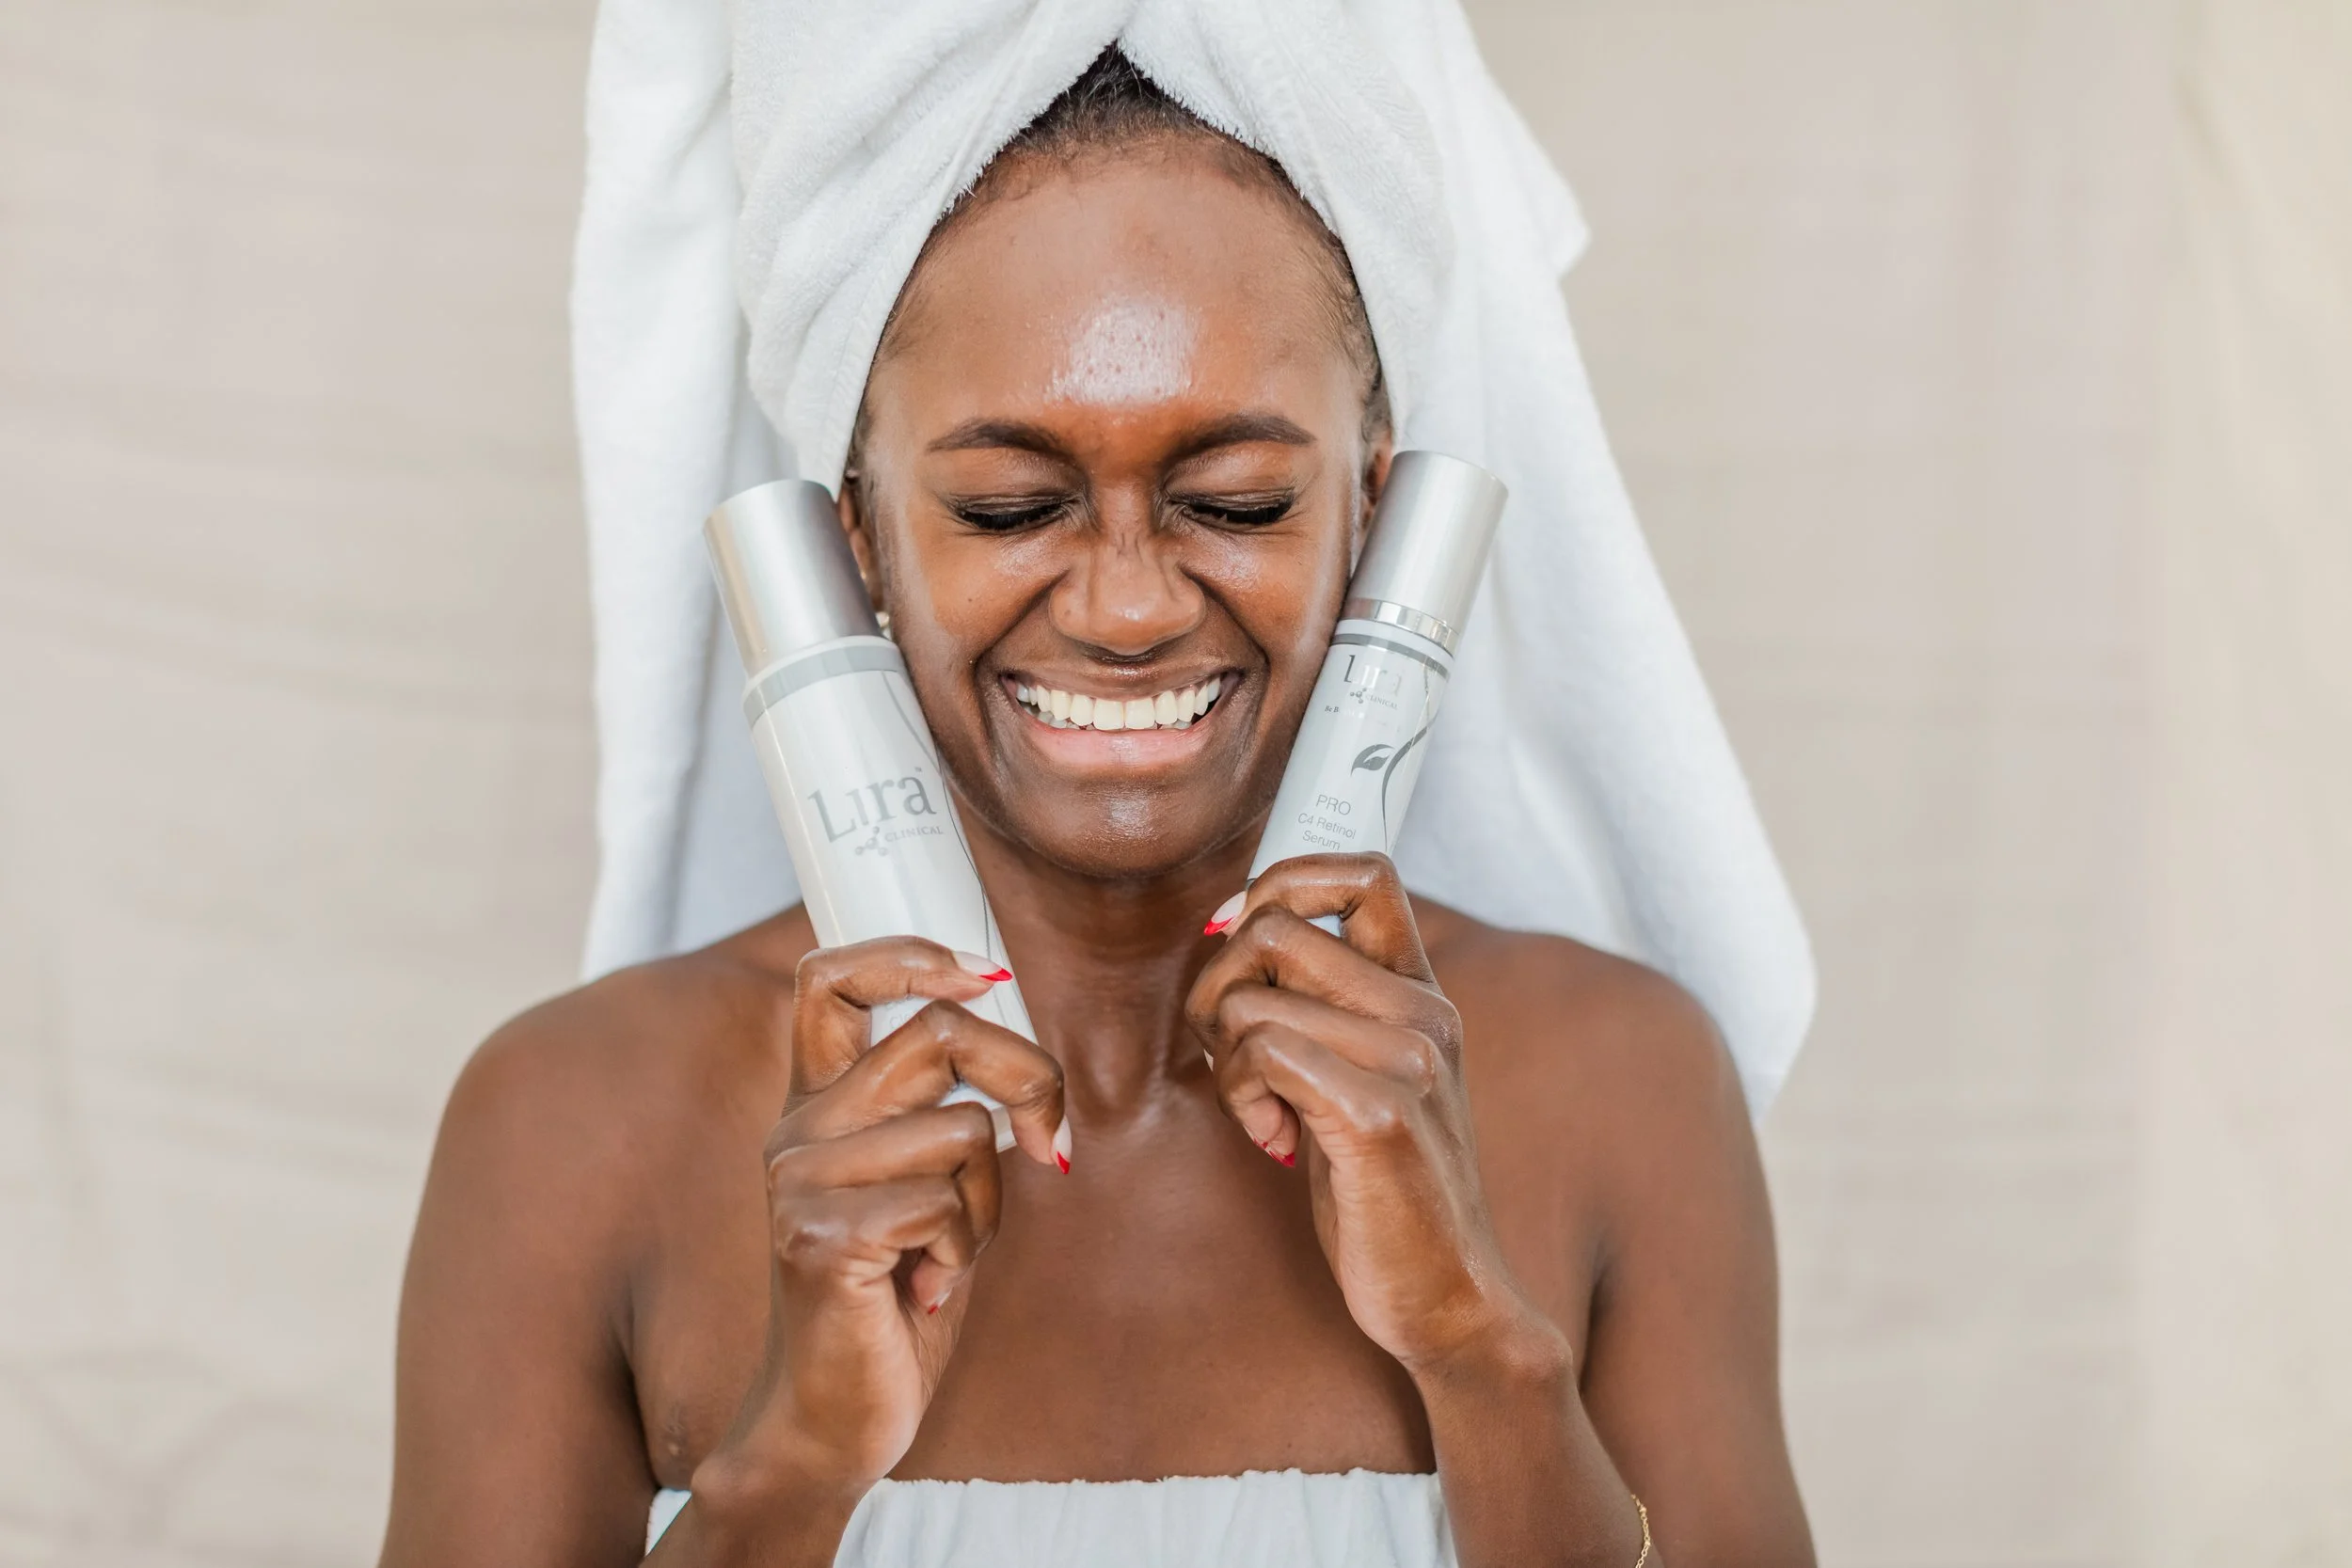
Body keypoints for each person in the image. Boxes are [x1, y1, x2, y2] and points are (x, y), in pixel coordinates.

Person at [378, 51, 1812, 1568]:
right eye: (1009, 506)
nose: (1128, 606)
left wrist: (1481, 1350)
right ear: (858, 535)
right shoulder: (572, 1131)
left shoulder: (1622, 1089)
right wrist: (788, 1466)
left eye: (1240, 500)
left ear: (1374, 518)